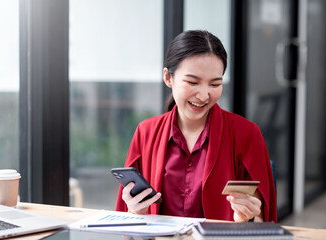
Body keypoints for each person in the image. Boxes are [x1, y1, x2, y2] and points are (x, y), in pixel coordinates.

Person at [115, 30, 277, 223]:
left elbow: (263, 221)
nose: (203, 95)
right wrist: (135, 212)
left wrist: (245, 219)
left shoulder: (246, 134)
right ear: (168, 78)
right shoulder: (146, 132)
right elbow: (125, 222)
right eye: (193, 82)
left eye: (215, 84)